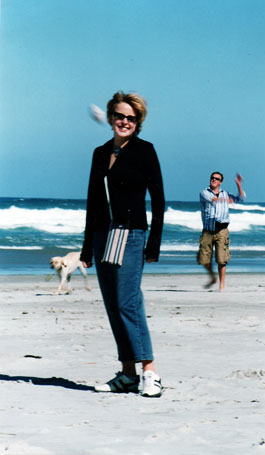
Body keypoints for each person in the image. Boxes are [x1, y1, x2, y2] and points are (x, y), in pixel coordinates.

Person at [80, 91, 165, 397]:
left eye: (131, 117)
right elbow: (93, 202)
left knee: (128, 301)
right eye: (119, 116)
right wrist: (86, 248)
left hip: (131, 234)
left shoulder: (145, 151)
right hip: (104, 235)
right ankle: (127, 374)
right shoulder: (100, 153)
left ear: (138, 121)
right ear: (111, 117)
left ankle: (150, 372)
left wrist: (153, 243)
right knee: (114, 305)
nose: (124, 121)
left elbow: (158, 199)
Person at [197, 171, 245, 290]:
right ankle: (213, 277)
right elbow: (212, 199)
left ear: (220, 182)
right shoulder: (204, 193)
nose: (214, 180)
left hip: (222, 230)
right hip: (208, 230)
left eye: (217, 179)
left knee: (221, 260)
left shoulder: (226, 194)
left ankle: (221, 286)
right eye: (212, 178)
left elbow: (241, 198)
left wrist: (238, 184)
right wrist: (225, 201)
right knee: (203, 259)